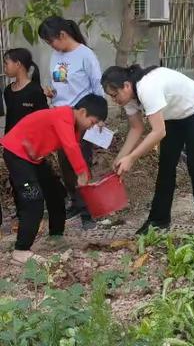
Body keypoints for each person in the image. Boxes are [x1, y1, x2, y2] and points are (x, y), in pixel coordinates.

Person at [101, 64, 194, 235]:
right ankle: (159, 220)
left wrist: (131, 158)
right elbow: (136, 128)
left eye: (115, 95)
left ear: (126, 85)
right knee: (166, 166)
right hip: (172, 116)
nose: (114, 100)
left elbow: (159, 131)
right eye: (111, 97)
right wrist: (121, 157)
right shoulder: (128, 97)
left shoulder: (147, 88)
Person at [0, 94, 107, 264]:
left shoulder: (74, 126)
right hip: (17, 155)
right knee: (33, 197)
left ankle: (56, 236)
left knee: (56, 192)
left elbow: (75, 148)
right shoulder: (64, 115)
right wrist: (81, 173)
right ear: (83, 112)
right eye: (92, 123)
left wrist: (84, 174)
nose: (91, 127)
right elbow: (70, 147)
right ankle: (21, 251)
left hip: (33, 159)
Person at [39, 16, 104, 230]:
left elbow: (97, 85)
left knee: (81, 161)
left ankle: (88, 211)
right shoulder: (55, 55)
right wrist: (51, 91)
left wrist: (100, 116)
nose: (51, 46)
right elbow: (59, 82)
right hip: (61, 114)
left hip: (81, 113)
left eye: (51, 41)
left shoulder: (85, 55)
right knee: (65, 162)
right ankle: (76, 202)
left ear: (63, 35)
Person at [1, 48, 49, 225]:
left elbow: (44, 121)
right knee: (15, 180)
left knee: (29, 182)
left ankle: (34, 212)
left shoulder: (35, 91)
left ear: (18, 64)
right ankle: (21, 212)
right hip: (11, 146)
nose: (4, 67)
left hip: (30, 147)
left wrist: (40, 147)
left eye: (6, 63)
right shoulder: (8, 91)